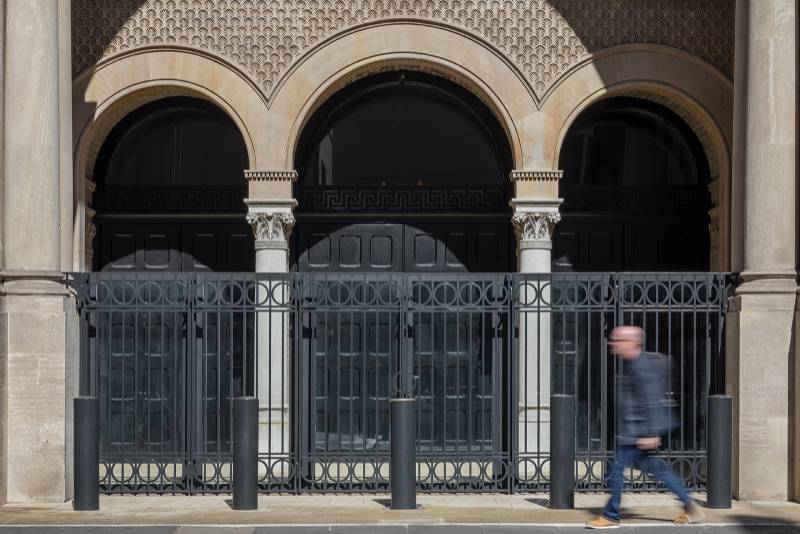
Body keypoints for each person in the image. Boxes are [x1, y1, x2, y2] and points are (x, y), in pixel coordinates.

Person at [586, 326, 704, 529]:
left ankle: (611, 515)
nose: (612, 343)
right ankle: (690, 505)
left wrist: (650, 433)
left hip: (638, 433)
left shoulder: (640, 366)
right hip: (635, 431)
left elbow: (650, 400)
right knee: (659, 471)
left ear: (632, 343)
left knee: (616, 470)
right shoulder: (632, 364)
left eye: (617, 340)